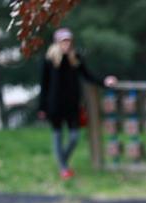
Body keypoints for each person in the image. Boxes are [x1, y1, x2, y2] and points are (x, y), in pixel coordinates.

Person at [39, 28, 117, 179]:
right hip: (54, 106)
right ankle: (63, 168)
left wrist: (104, 81)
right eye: (63, 41)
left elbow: (88, 76)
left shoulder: (76, 58)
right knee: (58, 136)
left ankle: (63, 161)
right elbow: (44, 85)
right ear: (57, 42)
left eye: (68, 41)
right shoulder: (49, 60)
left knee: (75, 137)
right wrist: (42, 108)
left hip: (72, 105)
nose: (66, 44)